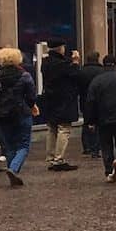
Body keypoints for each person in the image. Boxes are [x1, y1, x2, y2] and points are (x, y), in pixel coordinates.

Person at [0, 47, 36, 186]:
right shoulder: (25, 76)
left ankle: (13, 170)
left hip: (2, 115)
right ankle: (13, 169)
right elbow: (31, 96)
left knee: (9, 145)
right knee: (24, 144)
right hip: (21, 112)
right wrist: (31, 106)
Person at [38, 41, 82, 170]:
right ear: (60, 48)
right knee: (64, 128)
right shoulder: (63, 65)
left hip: (50, 99)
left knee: (51, 128)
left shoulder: (46, 63)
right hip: (63, 100)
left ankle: (51, 157)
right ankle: (59, 159)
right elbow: (75, 75)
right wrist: (75, 62)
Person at [72, 48, 106, 158]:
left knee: (87, 122)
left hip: (85, 100)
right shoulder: (102, 71)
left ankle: (87, 146)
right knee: (99, 123)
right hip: (100, 100)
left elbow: (77, 86)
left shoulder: (81, 71)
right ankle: (96, 147)